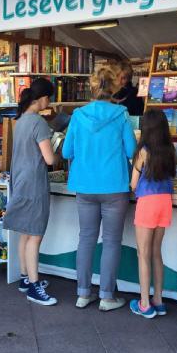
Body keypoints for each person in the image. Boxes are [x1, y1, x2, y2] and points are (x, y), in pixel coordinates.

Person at [62, 65, 136, 311]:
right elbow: (131, 151)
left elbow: (66, 152)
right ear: (114, 87)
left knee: (86, 238)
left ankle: (83, 293)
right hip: (114, 185)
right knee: (111, 241)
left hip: (84, 186)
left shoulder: (78, 115)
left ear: (92, 87)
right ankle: (106, 296)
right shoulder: (122, 114)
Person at [2, 78, 58, 306]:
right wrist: (59, 149)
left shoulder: (21, 120)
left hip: (20, 180)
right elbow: (49, 159)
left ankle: (26, 278)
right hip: (34, 183)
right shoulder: (39, 122)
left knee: (25, 233)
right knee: (35, 235)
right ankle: (34, 287)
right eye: (49, 98)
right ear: (42, 98)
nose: (49, 102)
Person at [129, 109, 176, 317]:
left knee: (143, 254)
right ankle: (158, 300)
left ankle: (144, 304)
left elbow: (133, 184)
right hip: (165, 202)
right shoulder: (170, 150)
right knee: (156, 252)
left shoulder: (143, 151)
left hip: (147, 203)